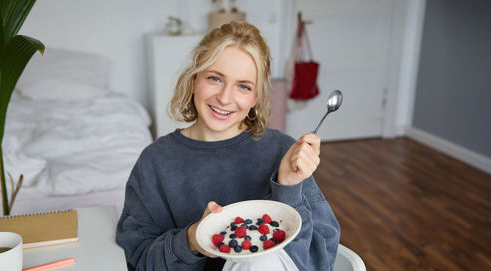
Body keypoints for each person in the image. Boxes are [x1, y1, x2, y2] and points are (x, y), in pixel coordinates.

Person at [116, 21, 340, 270]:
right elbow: (138, 260)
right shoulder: (155, 162)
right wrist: (192, 239)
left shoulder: (282, 152)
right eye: (214, 78)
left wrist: (288, 189)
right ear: (193, 80)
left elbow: (320, 259)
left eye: (243, 86)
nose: (224, 98)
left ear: (255, 98)